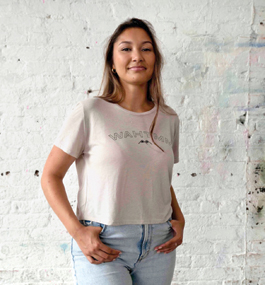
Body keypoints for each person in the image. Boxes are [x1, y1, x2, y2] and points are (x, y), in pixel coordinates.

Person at [41, 17, 185, 285]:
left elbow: (159, 179)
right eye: (126, 48)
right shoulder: (90, 112)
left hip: (159, 245)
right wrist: (78, 233)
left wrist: (180, 218)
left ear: (155, 61)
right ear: (112, 62)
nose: (136, 56)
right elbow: (50, 176)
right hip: (103, 241)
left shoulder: (168, 117)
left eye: (146, 48)